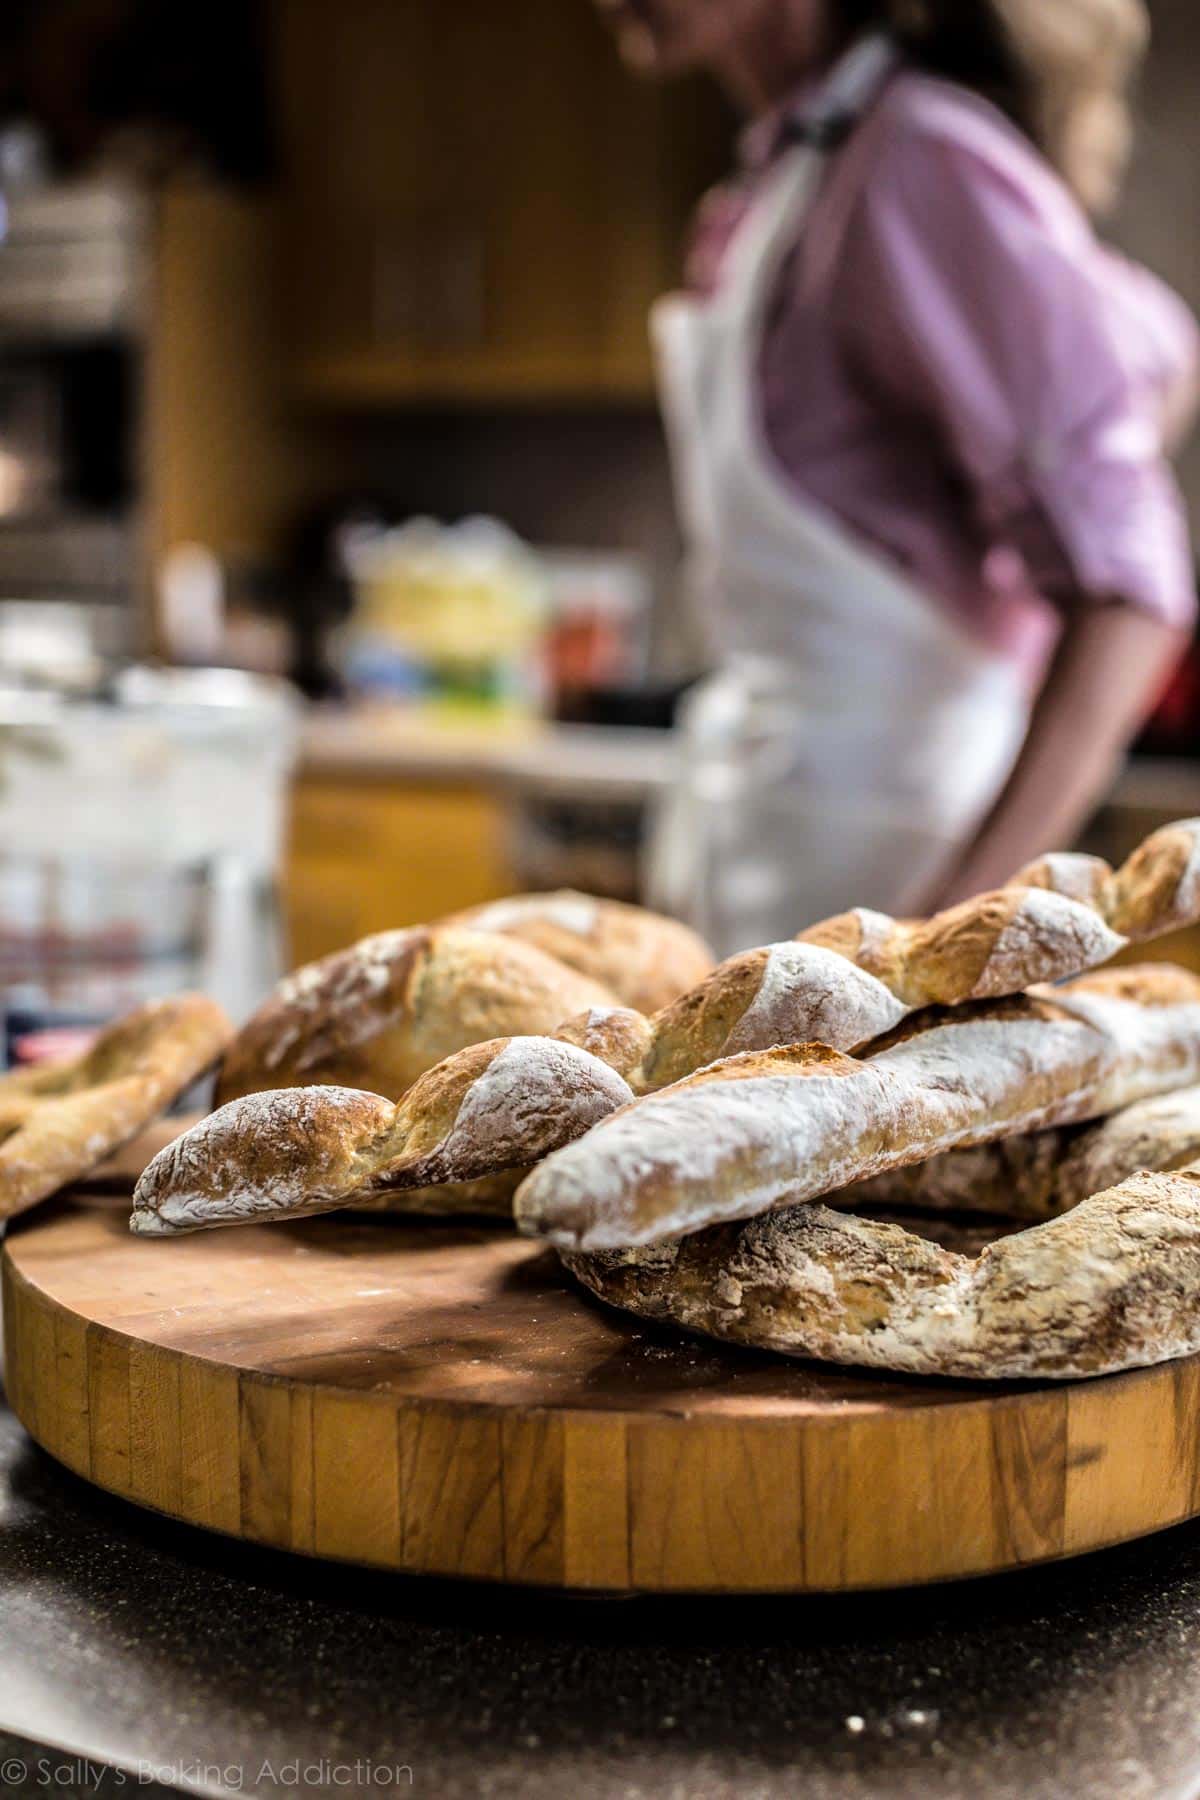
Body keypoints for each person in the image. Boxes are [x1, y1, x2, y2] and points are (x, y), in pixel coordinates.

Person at [595, 0, 1199, 951]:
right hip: (775, 835)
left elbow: (1131, 591)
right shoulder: (788, 177)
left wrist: (955, 924)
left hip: (905, 871)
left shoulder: (920, 157)